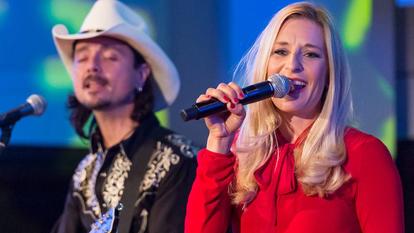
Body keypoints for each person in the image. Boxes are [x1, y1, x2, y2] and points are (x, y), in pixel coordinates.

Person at [185, 2, 404, 233]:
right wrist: (219, 142)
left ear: (329, 73)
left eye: (311, 54)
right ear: (265, 66)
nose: (292, 65)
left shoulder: (364, 154)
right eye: (281, 51)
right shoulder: (242, 153)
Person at [50, 0, 198, 232]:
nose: (93, 66)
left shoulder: (175, 158)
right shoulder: (85, 172)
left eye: (110, 57)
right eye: (82, 57)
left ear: (141, 74)